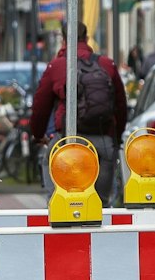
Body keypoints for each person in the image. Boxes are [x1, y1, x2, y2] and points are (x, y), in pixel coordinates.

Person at [26, 24, 129, 199]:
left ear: (63, 41)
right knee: (101, 204)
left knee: (48, 165)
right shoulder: (107, 64)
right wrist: (115, 138)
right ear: (87, 39)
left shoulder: (57, 66)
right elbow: (120, 105)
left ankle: (55, 204)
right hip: (103, 140)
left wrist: (37, 135)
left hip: (68, 141)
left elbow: (40, 108)